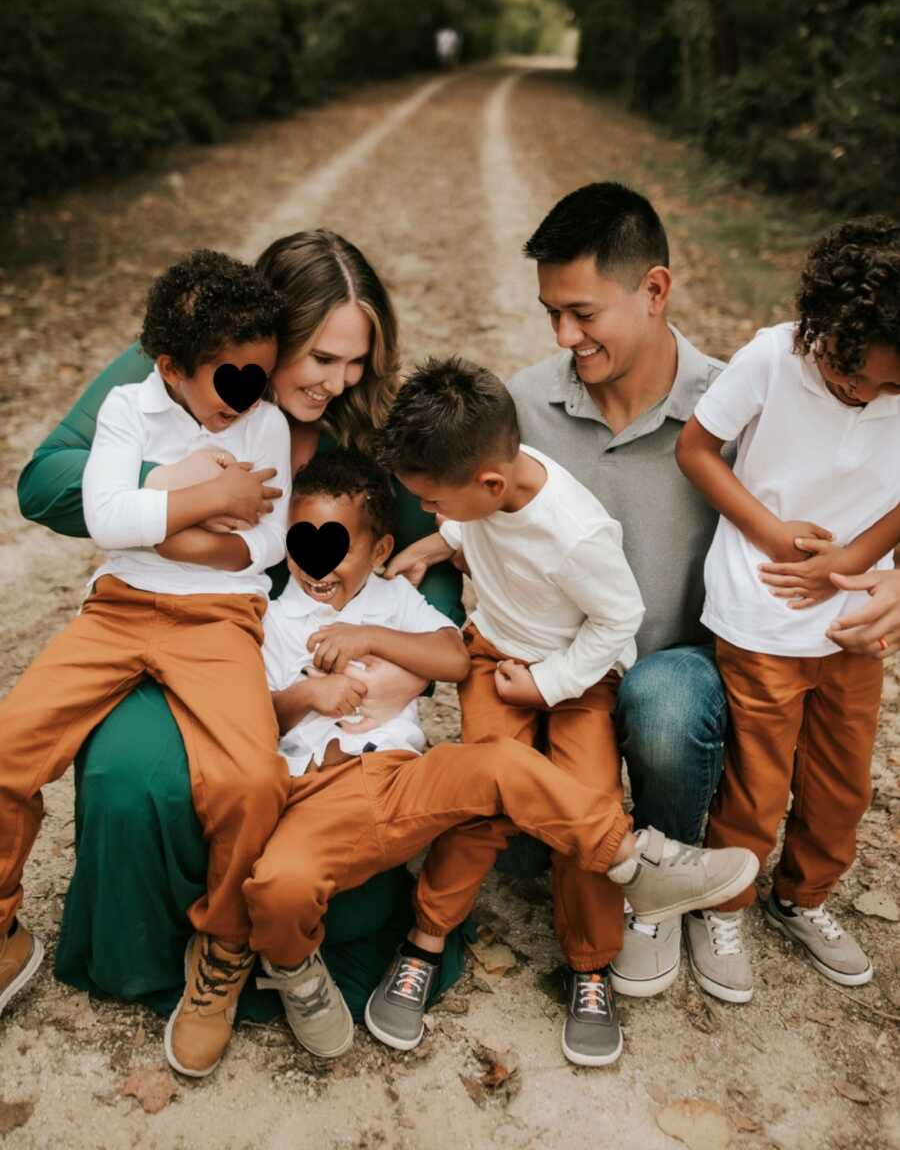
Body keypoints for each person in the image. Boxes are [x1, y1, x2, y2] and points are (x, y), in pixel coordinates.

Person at [16, 230, 467, 1022]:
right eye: (321, 359)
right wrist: (178, 489)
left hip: (280, 641)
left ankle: (242, 949)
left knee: (266, 790)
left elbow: (430, 542)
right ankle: (142, 957)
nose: (339, 381)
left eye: (356, 362)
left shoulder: (363, 416)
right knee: (132, 779)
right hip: (179, 608)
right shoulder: (179, 368)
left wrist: (418, 630)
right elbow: (46, 483)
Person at [243, 450, 758, 1065]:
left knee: (503, 765)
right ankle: (298, 975)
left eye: (336, 546)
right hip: (315, 793)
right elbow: (259, 718)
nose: (315, 562)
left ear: (379, 551)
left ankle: (635, 866)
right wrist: (308, 693)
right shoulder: (273, 619)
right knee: (277, 891)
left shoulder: (391, 601)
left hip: (401, 779)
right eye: (301, 543)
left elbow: (454, 658)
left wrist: (373, 638)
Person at [0, 251, 294, 1079]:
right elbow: (103, 516)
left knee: (252, 780)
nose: (250, 394)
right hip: (120, 606)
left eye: (261, 376)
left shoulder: (265, 422)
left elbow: (265, 541)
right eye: (231, 379)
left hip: (222, 617)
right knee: (9, 746)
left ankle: (223, 948)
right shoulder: (129, 407)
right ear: (170, 367)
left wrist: (159, 514)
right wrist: (210, 496)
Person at [381, 356, 646, 1066]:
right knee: (480, 792)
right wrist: (438, 539)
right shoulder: (484, 490)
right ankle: (426, 940)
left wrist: (552, 683)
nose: (432, 511)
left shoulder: (575, 533)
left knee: (588, 801)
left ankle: (590, 963)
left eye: (433, 502)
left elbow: (620, 620)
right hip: (494, 656)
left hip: (578, 675)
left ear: (490, 484)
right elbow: (474, 525)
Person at [507, 182, 728, 999]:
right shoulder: (528, 402)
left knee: (661, 701)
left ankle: (660, 887)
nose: (566, 336)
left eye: (584, 313)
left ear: (655, 289)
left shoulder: (729, 408)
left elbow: (825, 512)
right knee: (521, 856)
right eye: (551, 315)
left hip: (678, 669)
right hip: (563, 672)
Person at [676, 216, 900, 1002]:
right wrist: (769, 532)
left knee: (843, 783)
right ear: (825, 331)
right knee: (757, 782)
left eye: (889, 389)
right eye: (853, 382)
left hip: (854, 618)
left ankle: (802, 896)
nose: (868, 398)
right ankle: (724, 901)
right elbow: (696, 449)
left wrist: (856, 558)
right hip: (760, 609)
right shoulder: (774, 356)